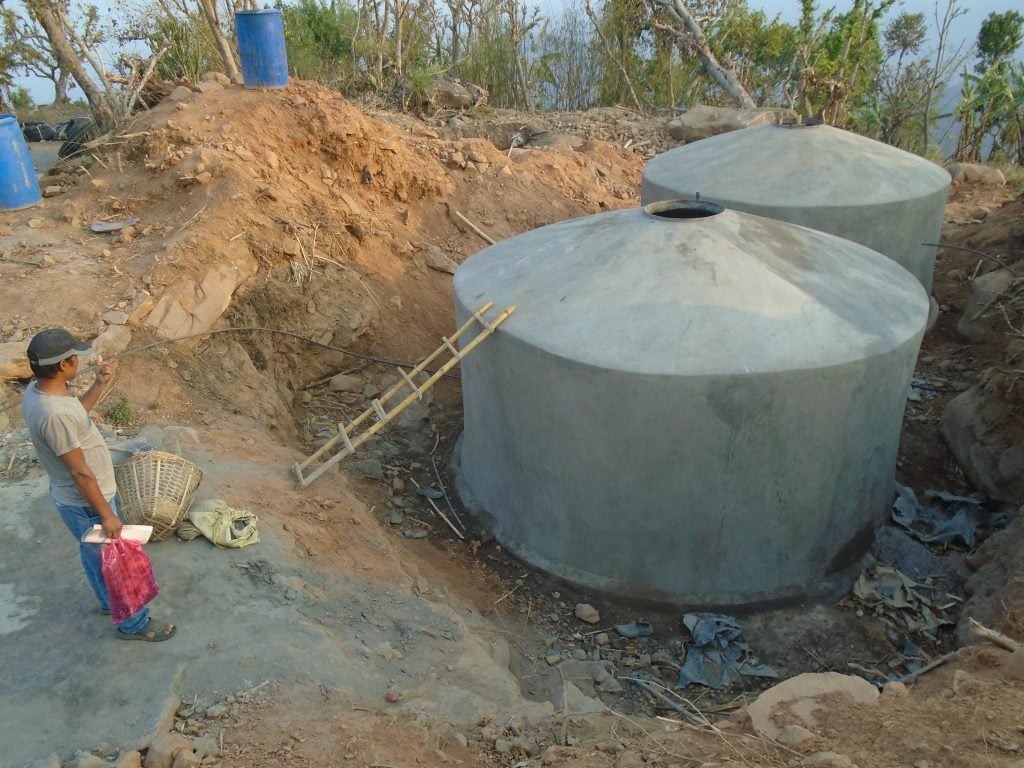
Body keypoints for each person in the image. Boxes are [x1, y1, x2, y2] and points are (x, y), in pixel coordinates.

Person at [23, 328, 176, 642]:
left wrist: (99, 383)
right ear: (64, 365)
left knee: (94, 553)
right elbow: (80, 473)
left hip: (80, 503)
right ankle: (134, 624)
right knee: (116, 562)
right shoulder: (54, 414)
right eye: (74, 356)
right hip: (87, 503)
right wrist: (106, 515)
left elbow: (77, 416)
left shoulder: (41, 392)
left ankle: (110, 604)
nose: (79, 359)